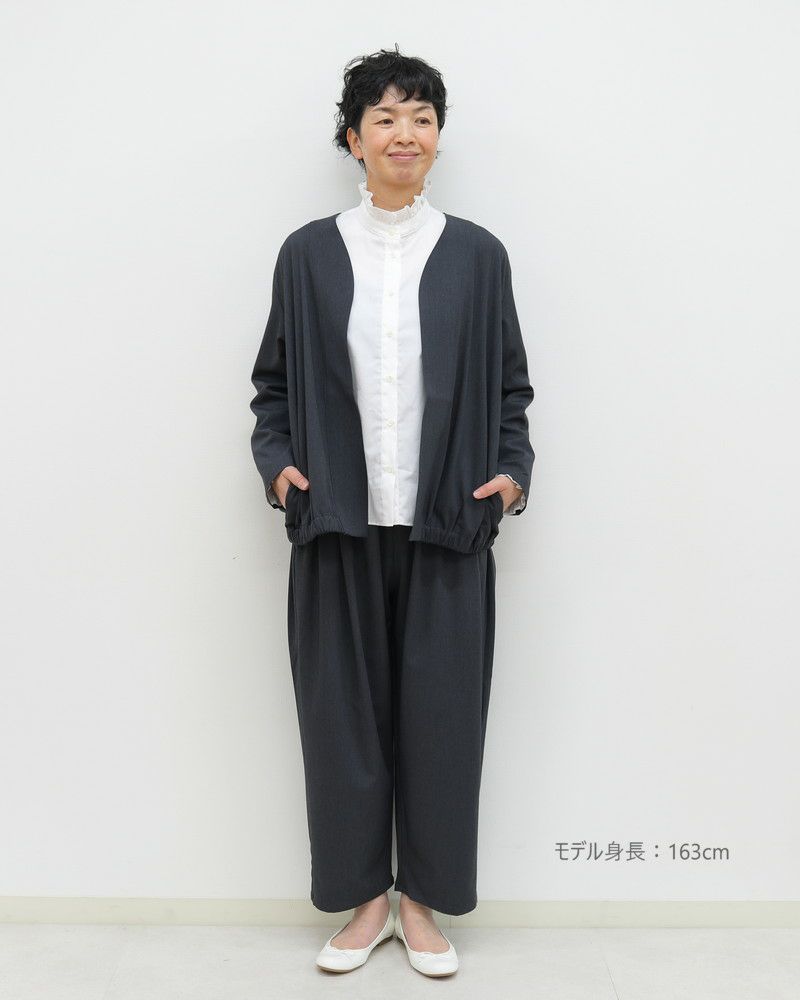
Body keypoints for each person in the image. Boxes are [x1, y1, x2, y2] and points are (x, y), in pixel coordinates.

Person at [249, 45, 534, 977]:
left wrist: (511, 473)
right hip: (336, 523)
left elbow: (510, 390)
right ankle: (365, 899)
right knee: (342, 725)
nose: (404, 132)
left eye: (421, 117)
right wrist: (282, 471)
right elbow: (273, 389)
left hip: (450, 523)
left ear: (438, 138)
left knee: (443, 723)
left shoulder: (478, 255)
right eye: (384, 117)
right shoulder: (307, 254)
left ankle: (423, 905)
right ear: (353, 138)